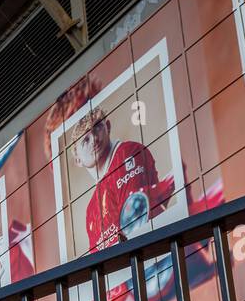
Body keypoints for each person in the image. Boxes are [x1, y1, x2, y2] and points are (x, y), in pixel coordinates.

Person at [70, 107, 174, 252]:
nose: (94, 139)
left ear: (107, 126)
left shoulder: (127, 153)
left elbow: (135, 226)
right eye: (85, 140)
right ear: (78, 160)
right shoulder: (91, 210)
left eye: (97, 128)